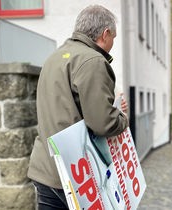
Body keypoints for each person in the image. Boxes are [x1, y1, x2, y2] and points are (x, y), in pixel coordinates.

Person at [27, 5, 129, 210]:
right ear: (105, 34)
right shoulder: (92, 61)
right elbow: (103, 124)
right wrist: (122, 116)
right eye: (113, 38)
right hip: (74, 174)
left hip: (45, 167)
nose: (112, 43)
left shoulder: (56, 57)